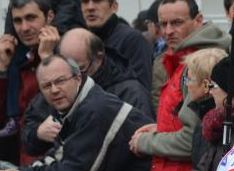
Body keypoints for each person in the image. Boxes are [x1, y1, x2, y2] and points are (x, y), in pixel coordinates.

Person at [0, 55, 151, 171]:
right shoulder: (72, 107)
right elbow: (60, 156)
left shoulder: (95, 109)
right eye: (46, 86)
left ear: (78, 78)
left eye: (60, 81)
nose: (54, 90)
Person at [129, 0, 230, 171]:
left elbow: (193, 140)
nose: (168, 31)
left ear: (198, 20)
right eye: (162, 24)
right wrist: (161, 128)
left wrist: (144, 142)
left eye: (176, 23)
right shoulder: (178, 60)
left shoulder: (200, 64)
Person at [23, 28, 154, 157]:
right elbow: (27, 139)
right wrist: (38, 134)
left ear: (99, 57)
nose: (74, 77)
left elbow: (142, 143)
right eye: (67, 70)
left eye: (80, 69)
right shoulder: (56, 88)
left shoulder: (129, 91)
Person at [0, 0, 58, 166]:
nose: (24, 28)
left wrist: (48, 58)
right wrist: (2, 67)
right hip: (26, 163)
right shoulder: (18, 58)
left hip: (51, 165)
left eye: (31, 18)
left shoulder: (67, 51)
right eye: (17, 20)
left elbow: (65, 108)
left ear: (50, 16)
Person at [80, 0, 153, 90]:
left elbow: (140, 91)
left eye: (97, 0)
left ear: (114, 7)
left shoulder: (132, 40)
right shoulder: (78, 42)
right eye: (84, 1)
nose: (90, 7)